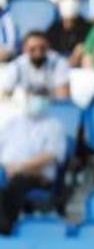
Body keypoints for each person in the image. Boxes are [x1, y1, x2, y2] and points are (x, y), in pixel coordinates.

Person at [0, 87, 66, 235]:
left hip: (37, 175)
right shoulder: (13, 123)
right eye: (34, 96)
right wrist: (8, 166)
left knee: (17, 182)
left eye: (41, 97)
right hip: (7, 170)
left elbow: (51, 155)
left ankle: (5, 229)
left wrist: (21, 167)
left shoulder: (53, 125)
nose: (36, 101)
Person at [0, 31, 70, 99]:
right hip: (24, 108)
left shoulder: (58, 63)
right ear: (24, 49)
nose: (38, 53)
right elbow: (4, 95)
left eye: (42, 48)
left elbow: (62, 98)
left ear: (48, 47)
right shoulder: (16, 66)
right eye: (32, 49)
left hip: (52, 107)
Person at [49, 0, 88, 66]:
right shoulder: (54, 28)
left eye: (73, 0)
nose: (70, 4)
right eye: (66, 0)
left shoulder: (86, 26)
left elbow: (86, 45)